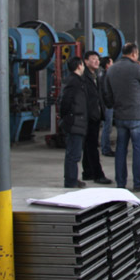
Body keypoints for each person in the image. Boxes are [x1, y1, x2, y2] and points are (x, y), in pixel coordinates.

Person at [104, 42, 140, 192]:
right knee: (138, 150)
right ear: (134, 53)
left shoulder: (112, 69)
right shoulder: (137, 68)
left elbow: (107, 93)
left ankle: (120, 182)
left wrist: (114, 105)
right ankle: (139, 182)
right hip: (137, 115)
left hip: (120, 115)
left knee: (120, 150)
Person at [81, 51, 111, 185]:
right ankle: (98, 175)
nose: (97, 61)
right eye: (93, 59)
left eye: (97, 59)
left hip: (95, 115)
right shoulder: (84, 77)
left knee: (89, 145)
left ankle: (87, 172)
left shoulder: (96, 75)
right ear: (86, 61)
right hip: (89, 116)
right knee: (92, 146)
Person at [60, 56, 88, 188]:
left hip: (76, 120)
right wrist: (67, 116)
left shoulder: (74, 80)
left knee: (74, 153)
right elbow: (66, 101)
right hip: (75, 121)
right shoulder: (74, 82)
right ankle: (70, 181)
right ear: (79, 65)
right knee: (73, 154)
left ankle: (72, 178)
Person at [99, 56, 115, 156]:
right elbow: (106, 92)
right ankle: (106, 149)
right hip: (107, 105)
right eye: (111, 62)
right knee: (107, 127)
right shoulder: (105, 76)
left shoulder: (102, 75)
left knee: (107, 127)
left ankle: (105, 147)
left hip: (105, 104)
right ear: (107, 65)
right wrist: (110, 104)